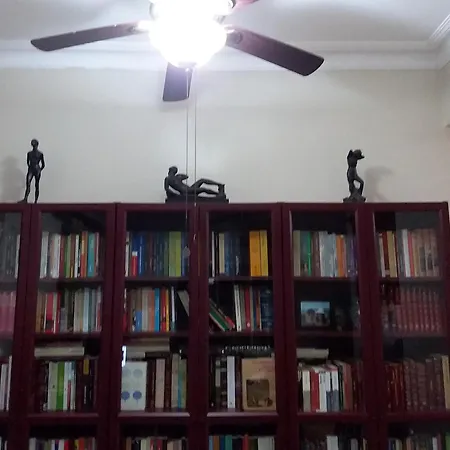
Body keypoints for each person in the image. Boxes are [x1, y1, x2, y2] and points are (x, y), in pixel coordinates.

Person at [22, 139, 45, 203]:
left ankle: (35, 201)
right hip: (32, 169)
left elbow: (43, 164)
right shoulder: (29, 153)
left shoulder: (40, 154)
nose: (34, 146)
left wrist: (39, 170)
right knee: (28, 183)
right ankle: (25, 199)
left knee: (36, 185)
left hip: (36, 169)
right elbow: (28, 162)